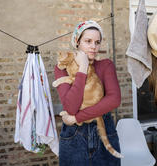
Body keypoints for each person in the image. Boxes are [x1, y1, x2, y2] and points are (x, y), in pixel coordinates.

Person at [54, 20, 121, 166]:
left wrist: (77, 117)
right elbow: (70, 107)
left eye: (97, 42)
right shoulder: (62, 68)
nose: (93, 46)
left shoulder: (105, 65)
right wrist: (83, 67)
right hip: (74, 137)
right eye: (88, 41)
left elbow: (114, 100)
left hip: (103, 131)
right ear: (77, 42)